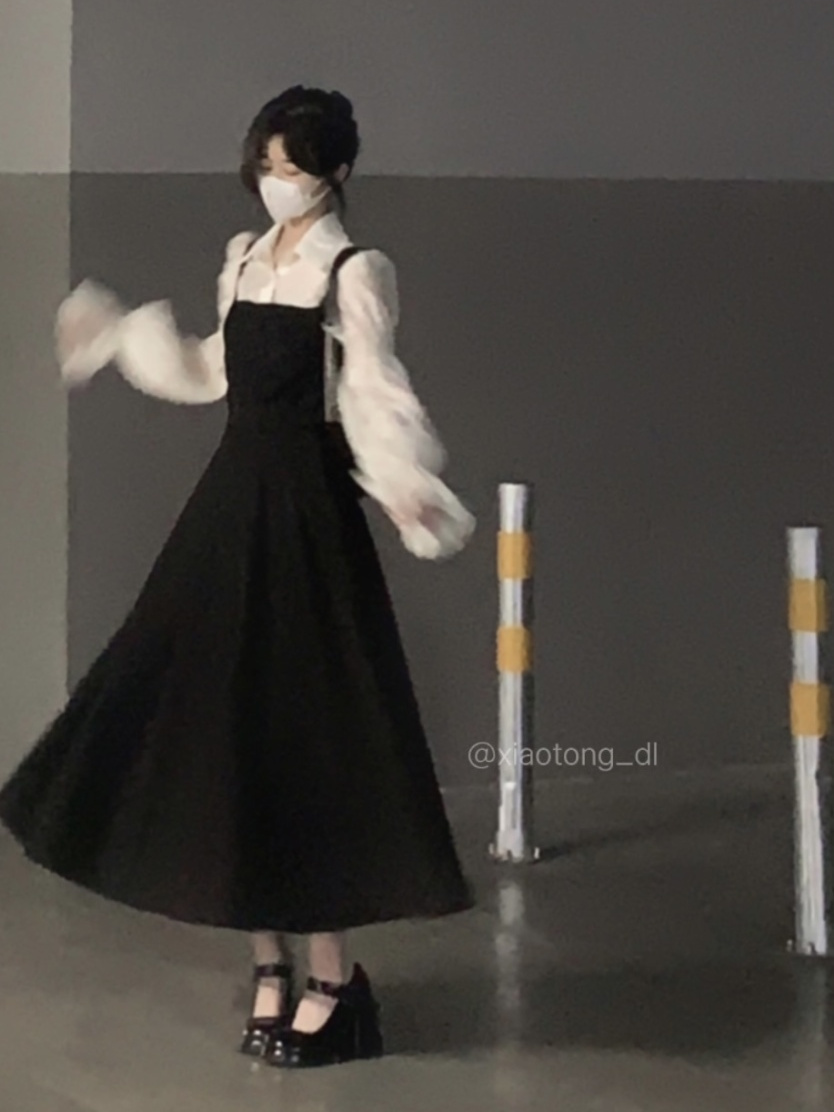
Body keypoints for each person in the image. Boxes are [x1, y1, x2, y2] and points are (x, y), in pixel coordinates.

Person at [0, 86, 476, 1069]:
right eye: (266, 165)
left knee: (306, 741)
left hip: (308, 518)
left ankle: (335, 981)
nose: (275, 182)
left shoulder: (353, 270)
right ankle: (270, 964)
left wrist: (406, 490)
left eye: (292, 167)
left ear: (337, 171)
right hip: (231, 509)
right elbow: (213, 367)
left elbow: (372, 393)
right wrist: (120, 337)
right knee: (225, 734)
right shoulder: (248, 259)